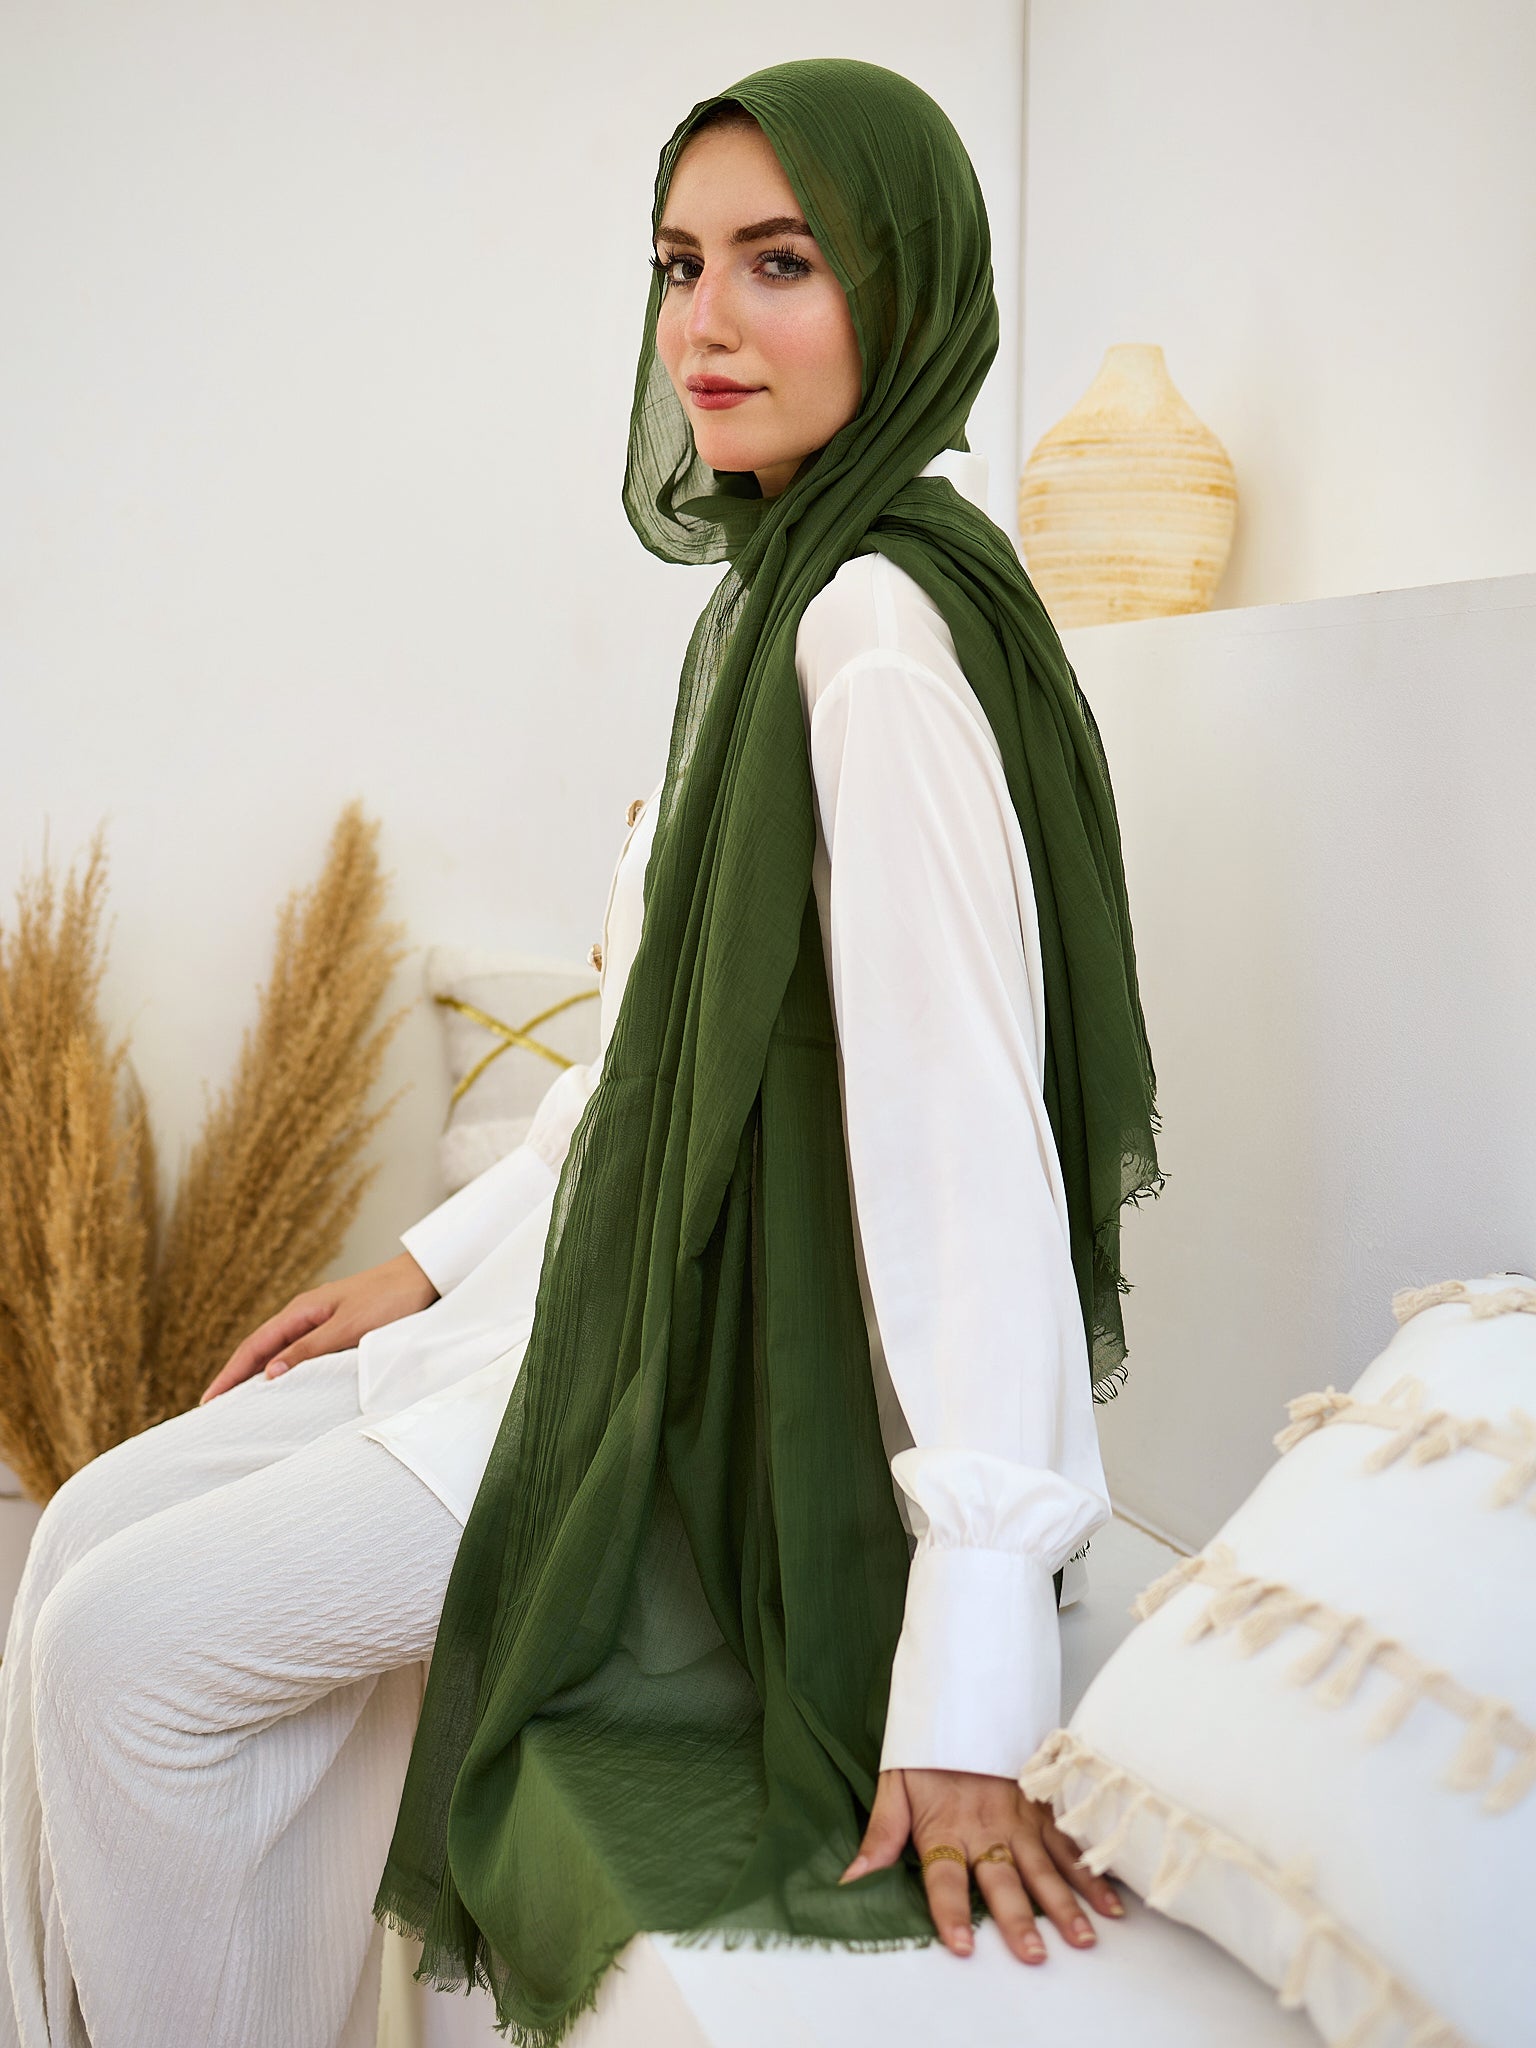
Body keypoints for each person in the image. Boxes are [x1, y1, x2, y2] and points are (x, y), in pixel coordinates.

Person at [0, 56, 1161, 2048]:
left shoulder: (875, 641)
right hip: (602, 1312)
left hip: (707, 1410)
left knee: (122, 1648)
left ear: (904, 290)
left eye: (781, 261)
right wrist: (421, 1264)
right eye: (680, 264)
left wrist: (975, 1661)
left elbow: (965, 1142)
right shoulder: (778, 601)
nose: (707, 323)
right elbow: (649, 1054)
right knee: (92, 1527)